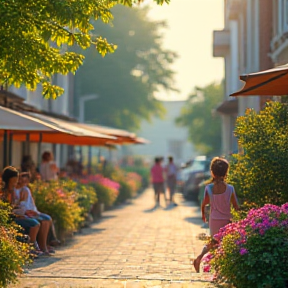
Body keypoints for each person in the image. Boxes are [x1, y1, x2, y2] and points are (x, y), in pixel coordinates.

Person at [193, 157, 239, 272]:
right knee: (223, 244)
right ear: (226, 172)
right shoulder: (230, 188)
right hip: (226, 220)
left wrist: (203, 215)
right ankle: (220, 269)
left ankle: (200, 257)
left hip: (214, 220)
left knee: (213, 242)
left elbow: (204, 204)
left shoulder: (209, 188)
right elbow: (236, 206)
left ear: (212, 172)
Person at [0, 166, 40, 252]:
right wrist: (15, 215)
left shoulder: (12, 191)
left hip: (15, 215)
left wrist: (18, 212)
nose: (16, 182)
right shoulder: (4, 192)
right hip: (8, 218)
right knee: (35, 224)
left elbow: (13, 206)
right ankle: (31, 248)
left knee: (34, 221)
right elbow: (5, 209)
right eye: (14, 180)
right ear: (9, 179)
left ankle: (32, 247)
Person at [16, 173, 54, 254]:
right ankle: (41, 247)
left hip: (31, 212)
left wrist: (35, 212)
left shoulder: (25, 189)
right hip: (24, 213)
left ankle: (44, 246)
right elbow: (21, 206)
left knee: (47, 219)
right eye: (21, 180)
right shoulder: (16, 190)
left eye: (25, 181)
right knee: (40, 221)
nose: (22, 182)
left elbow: (30, 204)